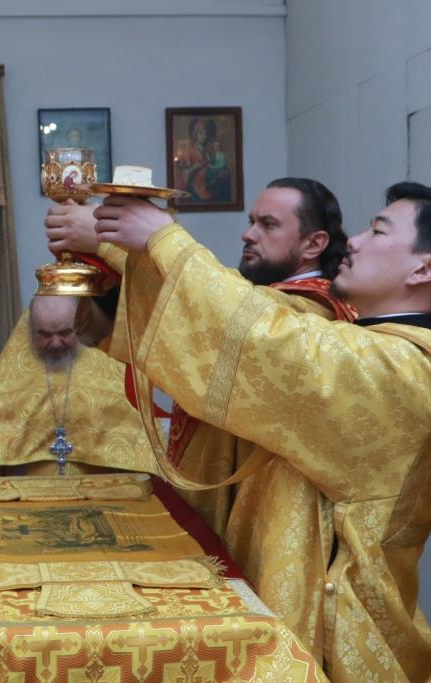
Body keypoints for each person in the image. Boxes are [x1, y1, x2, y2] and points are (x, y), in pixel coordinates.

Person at [93, 182, 431, 682]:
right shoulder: (369, 343)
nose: (355, 241)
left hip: (336, 634)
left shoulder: (406, 368)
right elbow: (258, 335)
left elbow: (265, 337)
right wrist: (122, 248)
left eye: (379, 231)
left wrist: (163, 238)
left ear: (426, 268)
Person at [47, 178, 355, 539]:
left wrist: (110, 242)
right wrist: (94, 266)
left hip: (270, 514)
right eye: (251, 222)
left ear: (314, 243)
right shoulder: (260, 296)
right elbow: (185, 326)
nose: (249, 234)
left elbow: (230, 318)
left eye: (268, 224)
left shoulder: (317, 310)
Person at [0, 294, 155, 476]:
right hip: (30, 494)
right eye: (45, 335)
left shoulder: (110, 373)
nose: (55, 343)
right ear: (30, 331)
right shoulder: (6, 386)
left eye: (65, 333)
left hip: (100, 493)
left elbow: (138, 445)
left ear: (78, 326)